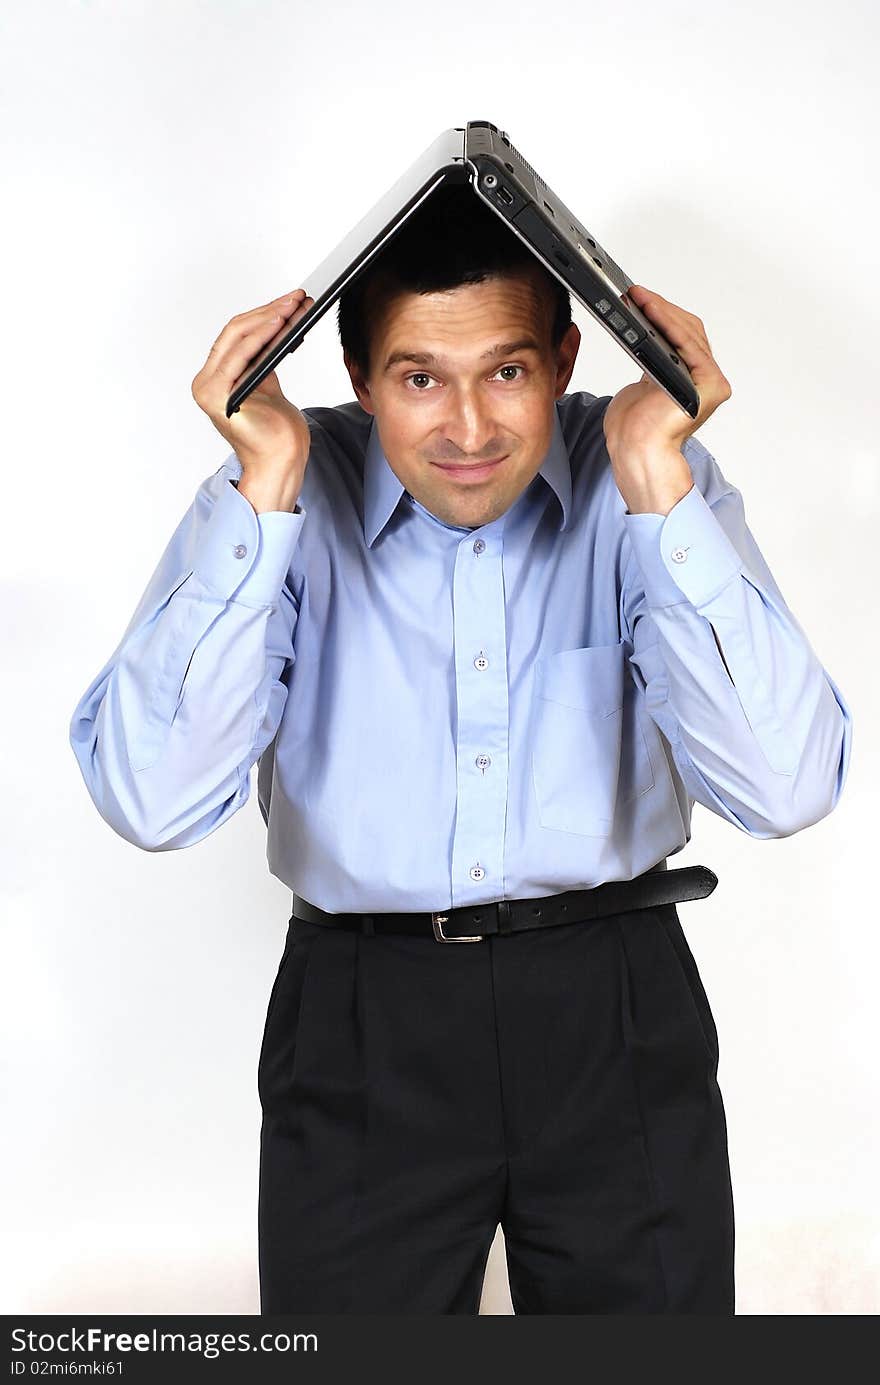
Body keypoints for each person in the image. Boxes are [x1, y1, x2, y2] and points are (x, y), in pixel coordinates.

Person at [68, 184, 853, 1315]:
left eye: (508, 371)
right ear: (360, 378)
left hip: (615, 1007)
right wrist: (265, 482)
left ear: (565, 356)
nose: (469, 429)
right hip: (361, 1023)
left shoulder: (647, 482)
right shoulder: (274, 498)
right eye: (420, 377)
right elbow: (150, 800)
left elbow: (784, 787)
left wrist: (656, 478)